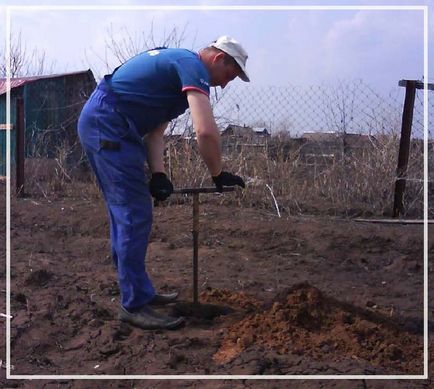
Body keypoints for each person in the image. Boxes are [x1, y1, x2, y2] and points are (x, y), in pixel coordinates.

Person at [77, 35, 248, 330]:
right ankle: (133, 305)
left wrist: (159, 174)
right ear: (219, 59)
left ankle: (139, 293)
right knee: (132, 213)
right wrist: (218, 174)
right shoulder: (191, 66)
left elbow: (155, 133)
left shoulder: (179, 71)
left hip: (115, 123)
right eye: (228, 76)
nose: (223, 85)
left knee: (129, 213)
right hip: (108, 122)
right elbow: (205, 131)